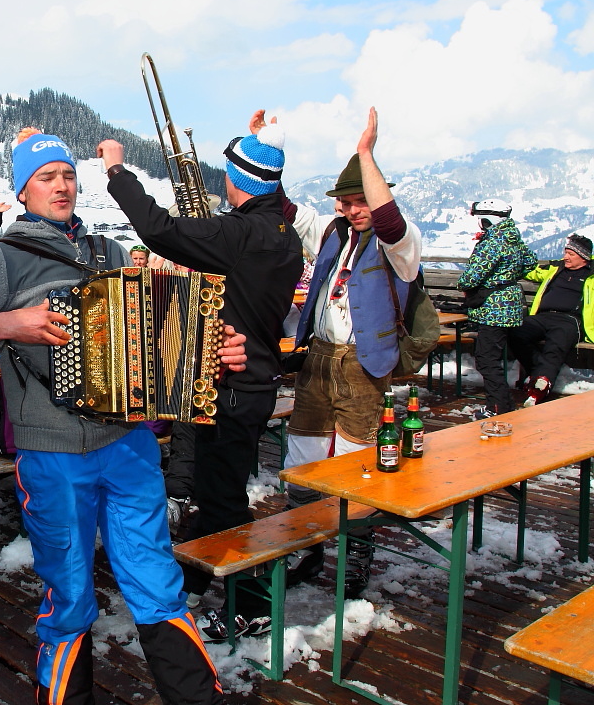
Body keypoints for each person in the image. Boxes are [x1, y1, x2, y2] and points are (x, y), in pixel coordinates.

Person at [0, 128, 237, 705]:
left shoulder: (109, 253)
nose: (60, 186)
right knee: (71, 596)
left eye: (66, 175)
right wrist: (4, 326)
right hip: (54, 452)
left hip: (129, 444)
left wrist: (212, 348)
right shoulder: (2, 260)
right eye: (45, 177)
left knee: (159, 586)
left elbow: (161, 337)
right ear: (22, 191)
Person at [103, 115, 303, 641]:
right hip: (252, 377)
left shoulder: (238, 233)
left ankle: (252, 603)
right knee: (216, 491)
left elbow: (157, 229)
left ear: (236, 179)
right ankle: (191, 582)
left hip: (233, 387)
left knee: (224, 499)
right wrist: (257, 141)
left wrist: (118, 172)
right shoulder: (284, 232)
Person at [280, 107, 422, 600]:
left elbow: (388, 220)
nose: (354, 209)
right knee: (304, 453)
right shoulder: (332, 232)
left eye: (361, 200)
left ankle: (357, 554)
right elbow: (280, 206)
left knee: (361, 458)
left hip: (363, 363)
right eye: (347, 201)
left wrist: (366, 154)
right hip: (318, 359)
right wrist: (267, 143)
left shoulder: (400, 244)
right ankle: (305, 544)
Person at [456, 200, 537, 417]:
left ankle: (498, 407)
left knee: (486, 359)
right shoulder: (512, 237)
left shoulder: (493, 242)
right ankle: (504, 404)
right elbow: (530, 262)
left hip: (494, 308)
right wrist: (506, 277)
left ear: (488, 219)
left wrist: (482, 282)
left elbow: (470, 277)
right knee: (492, 357)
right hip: (510, 304)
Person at [508, 233, 593, 405]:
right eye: (566, 252)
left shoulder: (591, 274)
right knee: (516, 332)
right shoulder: (556, 269)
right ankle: (540, 375)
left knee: (556, 343)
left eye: (571, 254)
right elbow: (531, 273)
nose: (565, 257)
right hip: (543, 316)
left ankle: (539, 386)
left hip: (571, 320)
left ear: (583, 257)